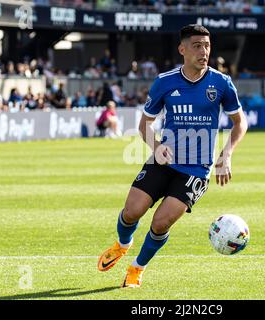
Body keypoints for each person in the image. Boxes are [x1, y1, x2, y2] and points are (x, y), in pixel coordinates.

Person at [97, 24, 248, 288]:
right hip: (163, 159)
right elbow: (145, 123)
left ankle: (137, 268)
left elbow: (240, 122)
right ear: (183, 49)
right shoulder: (165, 82)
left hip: (196, 170)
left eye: (207, 46)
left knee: (161, 221)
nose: (204, 51)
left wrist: (226, 154)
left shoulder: (221, 83)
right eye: (197, 46)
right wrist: (156, 147)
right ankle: (122, 245)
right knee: (132, 212)